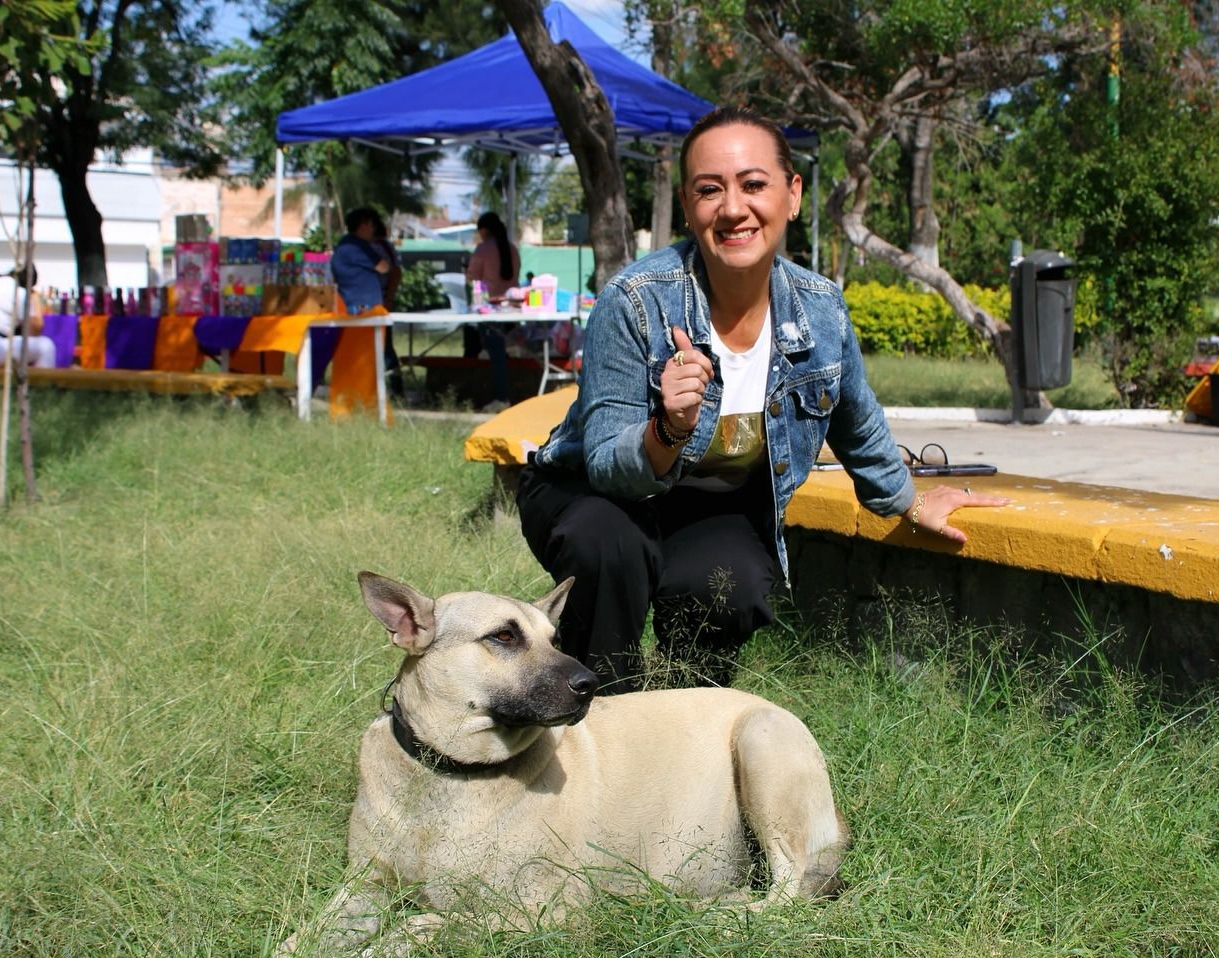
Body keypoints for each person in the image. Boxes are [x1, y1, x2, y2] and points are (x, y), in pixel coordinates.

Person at [516, 106, 1009, 693]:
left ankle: (689, 719)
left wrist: (908, 502)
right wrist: (669, 428)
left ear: (792, 194)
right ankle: (596, 713)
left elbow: (856, 420)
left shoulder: (820, 307)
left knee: (733, 585)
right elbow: (606, 464)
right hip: (593, 494)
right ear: (688, 203)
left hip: (705, 505)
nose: (732, 208)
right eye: (709, 190)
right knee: (609, 546)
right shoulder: (636, 300)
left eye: (753, 185)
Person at [331, 207, 402, 390]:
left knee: (379, 351)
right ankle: (376, 390)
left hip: (368, 307)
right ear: (363, 226)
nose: (374, 230)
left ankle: (382, 388)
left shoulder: (348, 245)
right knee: (374, 353)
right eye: (372, 225)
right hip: (363, 309)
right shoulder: (356, 246)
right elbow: (384, 267)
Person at [463, 211, 521, 408]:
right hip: (513, 309)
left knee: (495, 354)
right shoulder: (512, 248)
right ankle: (511, 394)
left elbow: (472, 276)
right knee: (506, 353)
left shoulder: (482, 249)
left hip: (490, 309)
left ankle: (501, 398)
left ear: (484, 230)